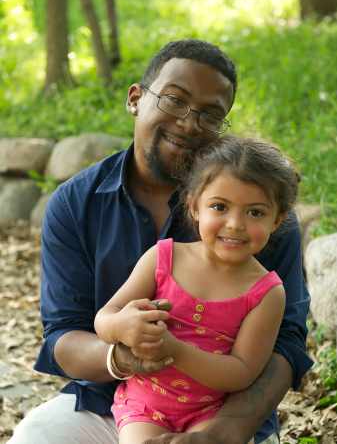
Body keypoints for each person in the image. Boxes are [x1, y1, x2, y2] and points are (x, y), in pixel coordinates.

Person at [8, 39, 312, 444]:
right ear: (135, 99)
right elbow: (64, 334)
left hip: (224, 410)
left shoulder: (260, 215)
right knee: (36, 436)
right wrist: (121, 357)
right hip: (115, 402)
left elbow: (287, 341)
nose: (189, 123)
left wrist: (226, 431)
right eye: (174, 100)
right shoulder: (75, 203)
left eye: (209, 114)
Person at [94, 136, 300, 444]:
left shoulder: (266, 293)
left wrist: (175, 350)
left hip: (214, 412)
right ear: (194, 207)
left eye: (255, 212)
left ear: (277, 220)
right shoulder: (163, 259)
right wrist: (122, 326)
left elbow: (241, 371)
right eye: (219, 207)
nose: (234, 224)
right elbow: (104, 318)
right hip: (146, 405)